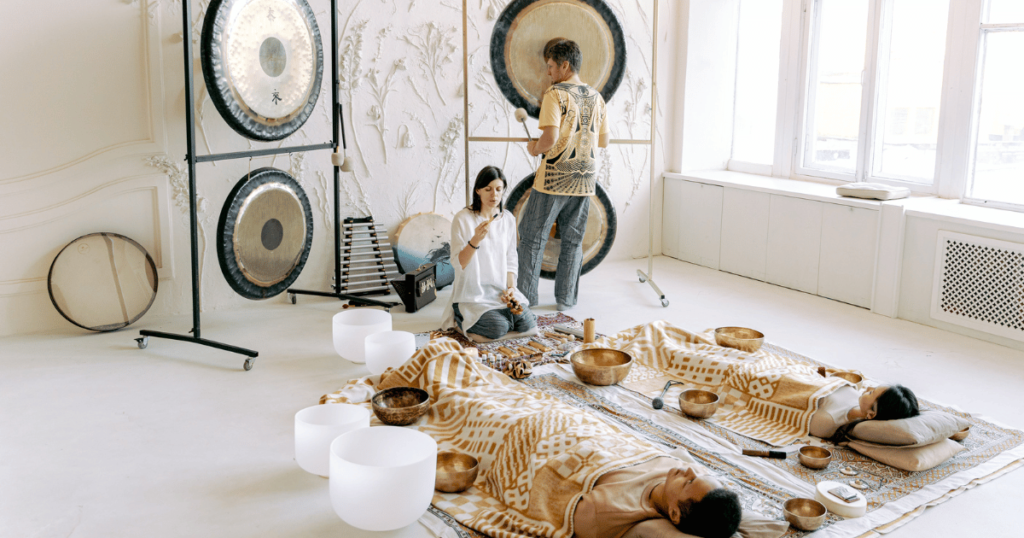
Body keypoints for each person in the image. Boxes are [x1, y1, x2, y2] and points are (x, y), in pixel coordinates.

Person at [518, 38, 610, 311]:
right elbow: (603, 141)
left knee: (532, 236)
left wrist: (535, 148)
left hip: (554, 178)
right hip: (584, 180)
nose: (548, 72)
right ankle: (566, 300)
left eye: (550, 66)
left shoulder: (555, 94)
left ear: (565, 65)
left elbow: (549, 138)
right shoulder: (597, 96)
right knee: (572, 240)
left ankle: (526, 299)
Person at [441, 166, 537, 340]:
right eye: (488, 189)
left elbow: (510, 258)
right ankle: (460, 317)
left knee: (527, 323)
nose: (494, 195)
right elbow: (458, 263)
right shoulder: (463, 219)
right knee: (498, 328)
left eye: (499, 189)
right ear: (478, 190)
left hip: (500, 293)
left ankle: (497, 318)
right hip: (473, 294)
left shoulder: (508, 219)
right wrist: (475, 240)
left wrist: (510, 288)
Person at [574, 456, 742, 538]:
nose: (690, 470)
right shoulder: (681, 469)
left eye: (689, 482)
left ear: (674, 514)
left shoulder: (606, 510)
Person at [809, 383, 920, 440]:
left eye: (871, 392)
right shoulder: (861, 402)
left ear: (871, 414)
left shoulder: (828, 420)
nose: (868, 388)